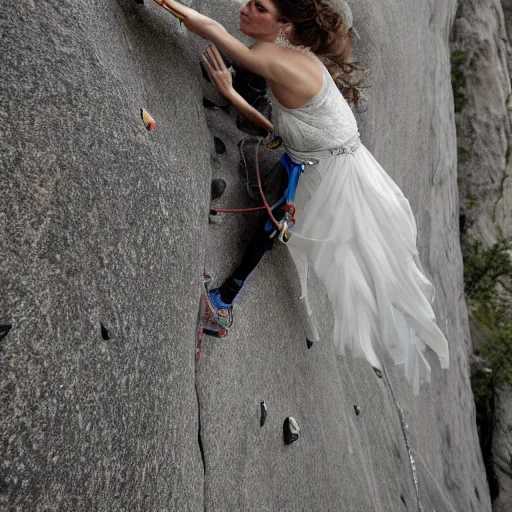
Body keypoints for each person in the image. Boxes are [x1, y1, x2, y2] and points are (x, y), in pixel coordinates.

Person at [153, 0, 449, 394]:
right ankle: (222, 302)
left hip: (329, 164)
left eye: (259, 7)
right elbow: (276, 127)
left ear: (284, 26)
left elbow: (210, 29)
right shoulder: (288, 52)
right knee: (282, 215)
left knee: (282, 224)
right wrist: (231, 93)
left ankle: (221, 306)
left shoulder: (276, 59)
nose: (245, 8)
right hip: (316, 150)